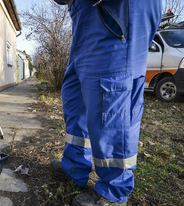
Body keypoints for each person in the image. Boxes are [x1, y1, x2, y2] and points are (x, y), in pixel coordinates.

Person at [51, 0, 161, 206]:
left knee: (110, 98)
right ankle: (75, 167)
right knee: (76, 96)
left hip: (117, 7)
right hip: (83, 12)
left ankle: (114, 188)